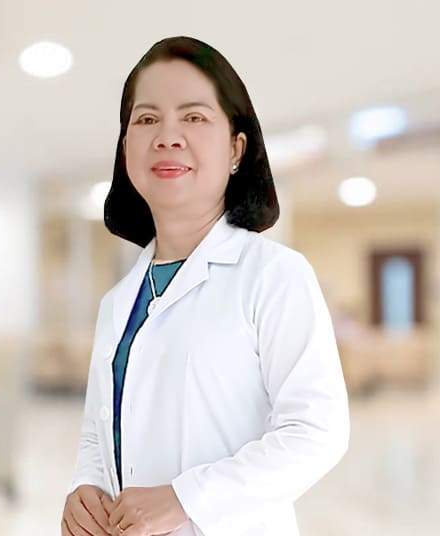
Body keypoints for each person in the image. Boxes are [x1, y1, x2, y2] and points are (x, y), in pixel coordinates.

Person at [61, 35, 350, 536]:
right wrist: (86, 486)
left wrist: (186, 498)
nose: (167, 136)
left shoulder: (274, 275)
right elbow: (98, 431)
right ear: (126, 149)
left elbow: (316, 432)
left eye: (193, 117)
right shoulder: (117, 302)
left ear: (236, 148)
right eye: (146, 120)